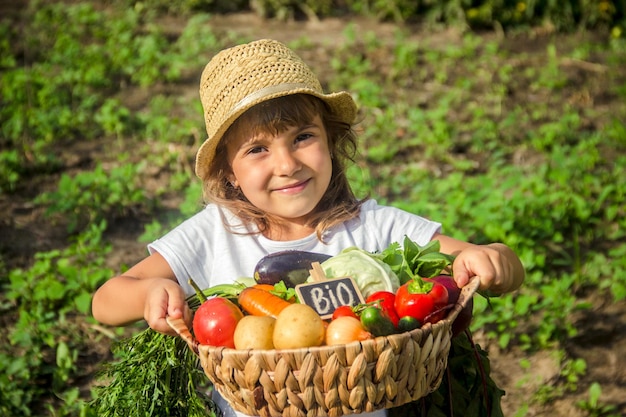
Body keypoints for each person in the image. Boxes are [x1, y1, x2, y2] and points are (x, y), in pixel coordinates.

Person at [91, 39, 525, 417]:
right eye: (258, 149)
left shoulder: (374, 227)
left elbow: (488, 262)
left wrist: (490, 257)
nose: (287, 164)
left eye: (302, 137)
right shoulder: (212, 234)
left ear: (331, 140)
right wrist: (150, 293)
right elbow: (105, 301)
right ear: (228, 171)